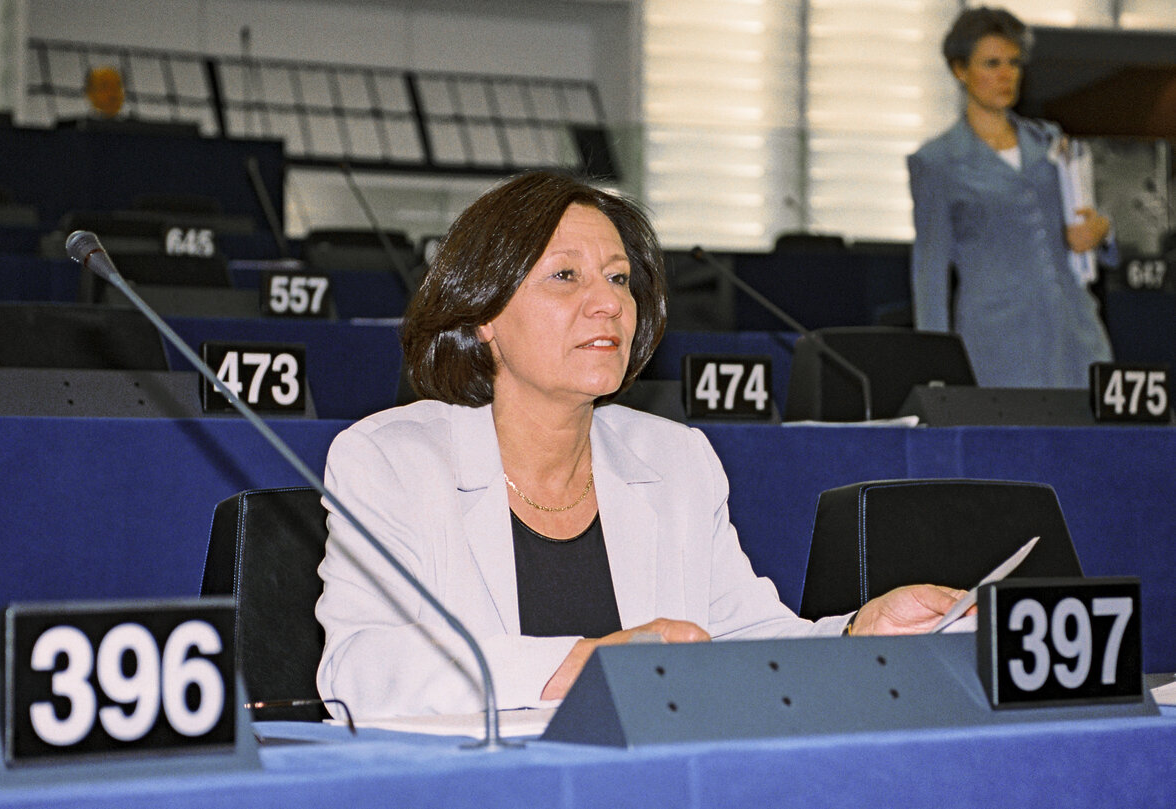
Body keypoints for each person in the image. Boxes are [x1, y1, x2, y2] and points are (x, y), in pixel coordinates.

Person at [315, 171, 966, 719]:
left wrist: (860, 635)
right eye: (566, 276)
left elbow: (744, 640)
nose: (607, 303)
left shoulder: (676, 461)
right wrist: (588, 665)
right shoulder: (391, 461)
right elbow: (358, 667)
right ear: (484, 312)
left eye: (620, 278)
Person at [908, 6, 1115, 388]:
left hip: (1076, 337)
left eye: (1013, 62)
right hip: (996, 345)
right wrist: (932, 368)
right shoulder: (936, 162)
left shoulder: (1052, 142)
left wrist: (1102, 232)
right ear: (960, 70)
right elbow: (930, 271)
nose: (1006, 75)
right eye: (991, 63)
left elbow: (1086, 221)